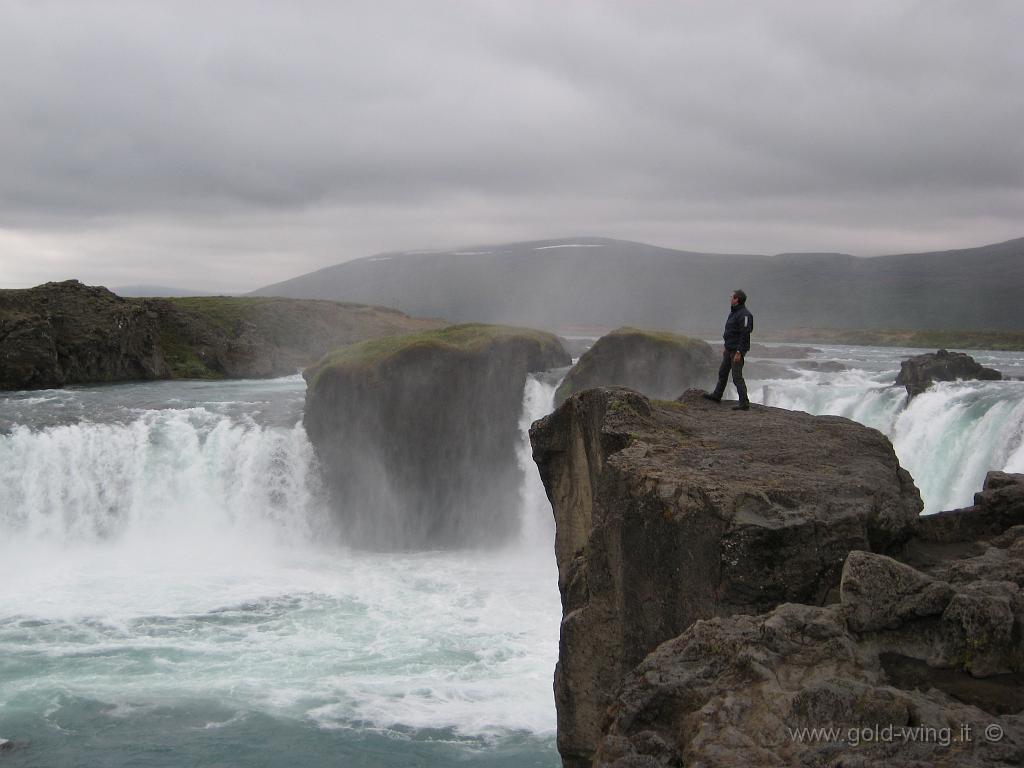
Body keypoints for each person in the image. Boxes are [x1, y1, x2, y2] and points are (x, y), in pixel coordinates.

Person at [703, 289, 753, 410]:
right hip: (730, 349)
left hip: (737, 350)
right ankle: (717, 395)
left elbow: (745, 334)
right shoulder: (734, 313)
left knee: (736, 377)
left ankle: (744, 403)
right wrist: (726, 347)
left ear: (737, 299)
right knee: (723, 372)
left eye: (732, 297)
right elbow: (731, 332)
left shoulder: (745, 315)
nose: (730, 298)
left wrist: (739, 352)